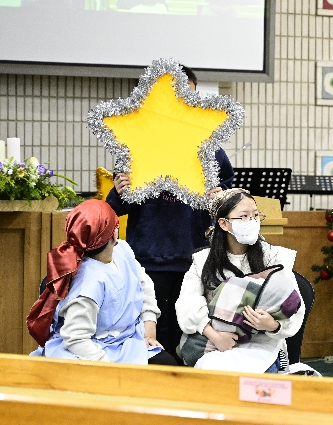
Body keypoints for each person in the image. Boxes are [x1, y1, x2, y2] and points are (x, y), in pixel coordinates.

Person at [107, 65, 234, 363]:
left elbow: (226, 198)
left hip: (193, 254)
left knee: (187, 326)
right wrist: (119, 191)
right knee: (148, 326)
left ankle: (183, 379)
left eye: (187, 97)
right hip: (148, 255)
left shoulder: (209, 149)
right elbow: (116, 207)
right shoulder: (137, 145)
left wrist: (219, 196)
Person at [27, 199, 176, 366]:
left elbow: (144, 286)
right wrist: (110, 370)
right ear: (114, 233)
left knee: (167, 364)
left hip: (128, 339)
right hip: (93, 350)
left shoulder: (123, 250)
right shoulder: (88, 284)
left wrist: (149, 329)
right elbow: (76, 338)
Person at [175, 188, 305, 373]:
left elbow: (294, 304)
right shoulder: (203, 260)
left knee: (256, 380)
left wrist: (271, 324)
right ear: (223, 223)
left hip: (263, 344)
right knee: (213, 376)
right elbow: (188, 303)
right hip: (216, 342)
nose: (252, 221)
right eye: (244, 216)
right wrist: (216, 336)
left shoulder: (273, 257)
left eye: (255, 215)